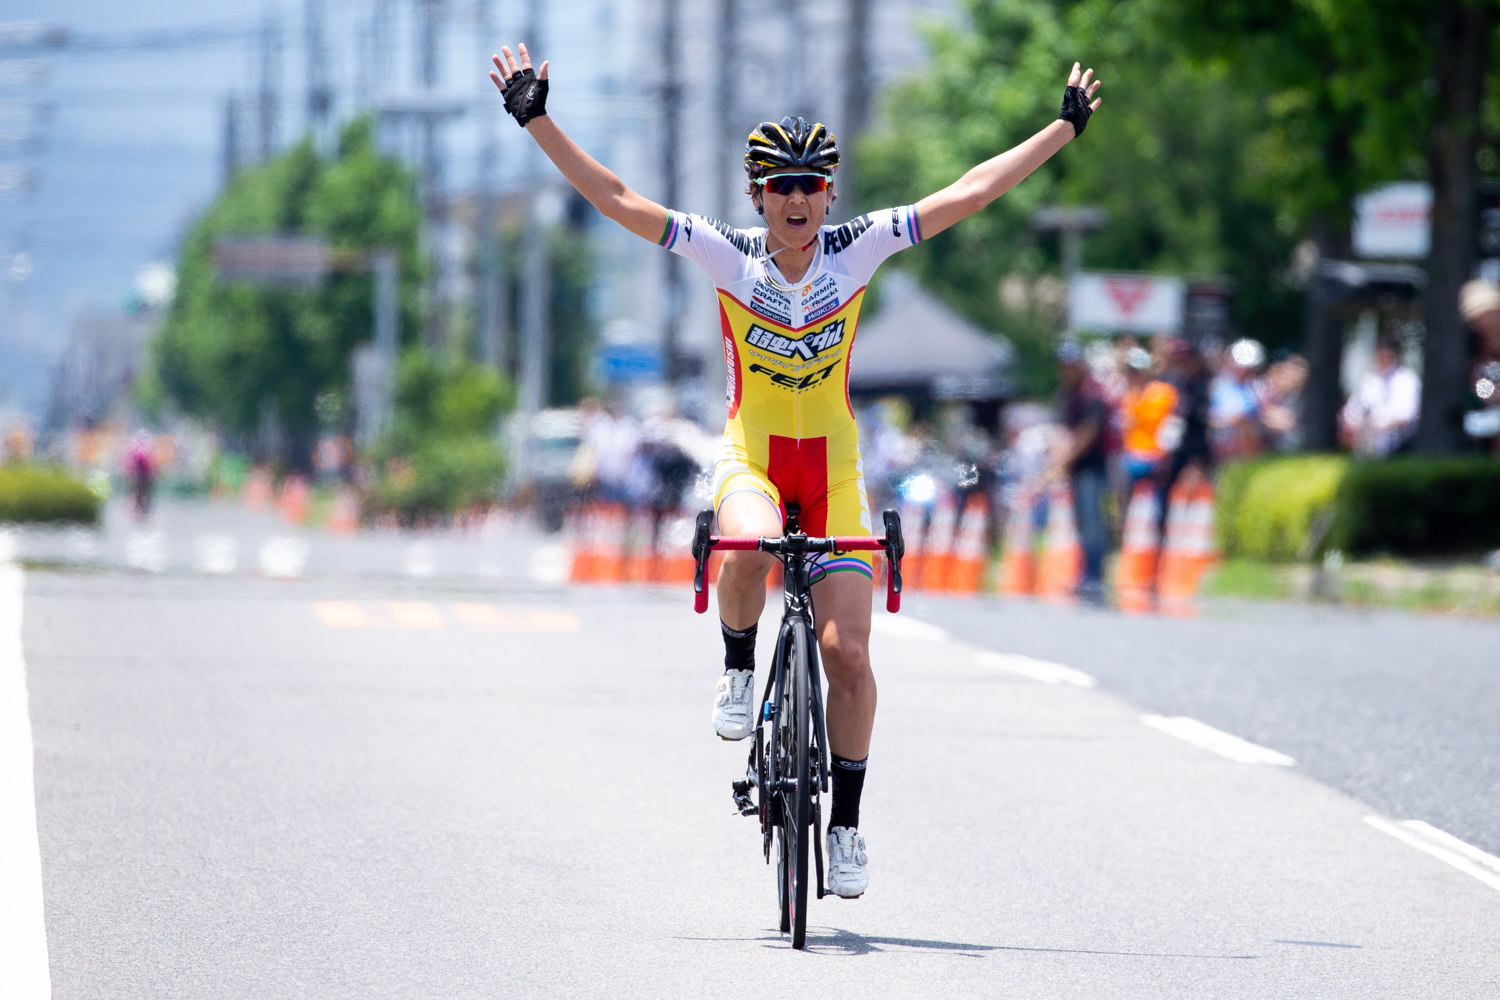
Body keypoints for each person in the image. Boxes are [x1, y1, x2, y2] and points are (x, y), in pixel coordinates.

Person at [490, 43, 1101, 898]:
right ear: (757, 195)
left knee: (848, 653)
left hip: (837, 467)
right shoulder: (726, 254)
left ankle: (845, 826)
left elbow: (968, 193)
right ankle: (740, 665)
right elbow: (619, 199)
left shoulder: (861, 248)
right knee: (742, 548)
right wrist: (536, 119)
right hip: (754, 457)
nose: (798, 199)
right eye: (781, 185)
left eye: (813, 183)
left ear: (831, 192)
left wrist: (1060, 132)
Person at [1053, 344, 1110, 601]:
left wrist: (1069, 455)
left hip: (1092, 466)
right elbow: (1064, 429)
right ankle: (1086, 570)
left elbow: (1091, 429)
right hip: (1075, 468)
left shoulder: (1091, 393)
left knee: (1093, 523)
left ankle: (1096, 574)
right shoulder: (1067, 394)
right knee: (1081, 521)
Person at [1340, 336, 1420, 456]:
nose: (1384, 359)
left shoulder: (1407, 380)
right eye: (1380, 355)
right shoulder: (1370, 381)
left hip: (1399, 444)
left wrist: (1381, 425)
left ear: (1396, 356)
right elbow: (1355, 408)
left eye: (1388, 355)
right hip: (1368, 442)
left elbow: (1408, 414)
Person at [1115, 346, 1178, 494]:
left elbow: (1173, 426)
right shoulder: (1128, 396)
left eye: (1136, 371)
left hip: (1156, 455)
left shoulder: (1164, 393)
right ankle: (1119, 516)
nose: (1132, 375)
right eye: (1130, 371)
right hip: (1131, 454)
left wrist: (1165, 454)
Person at [1209, 338, 1266, 463]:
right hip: (1222, 449)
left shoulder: (1257, 388)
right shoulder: (1217, 386)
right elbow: (1209, 417)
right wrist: (1233, 419)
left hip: (1250, 450)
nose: (1246, 371)